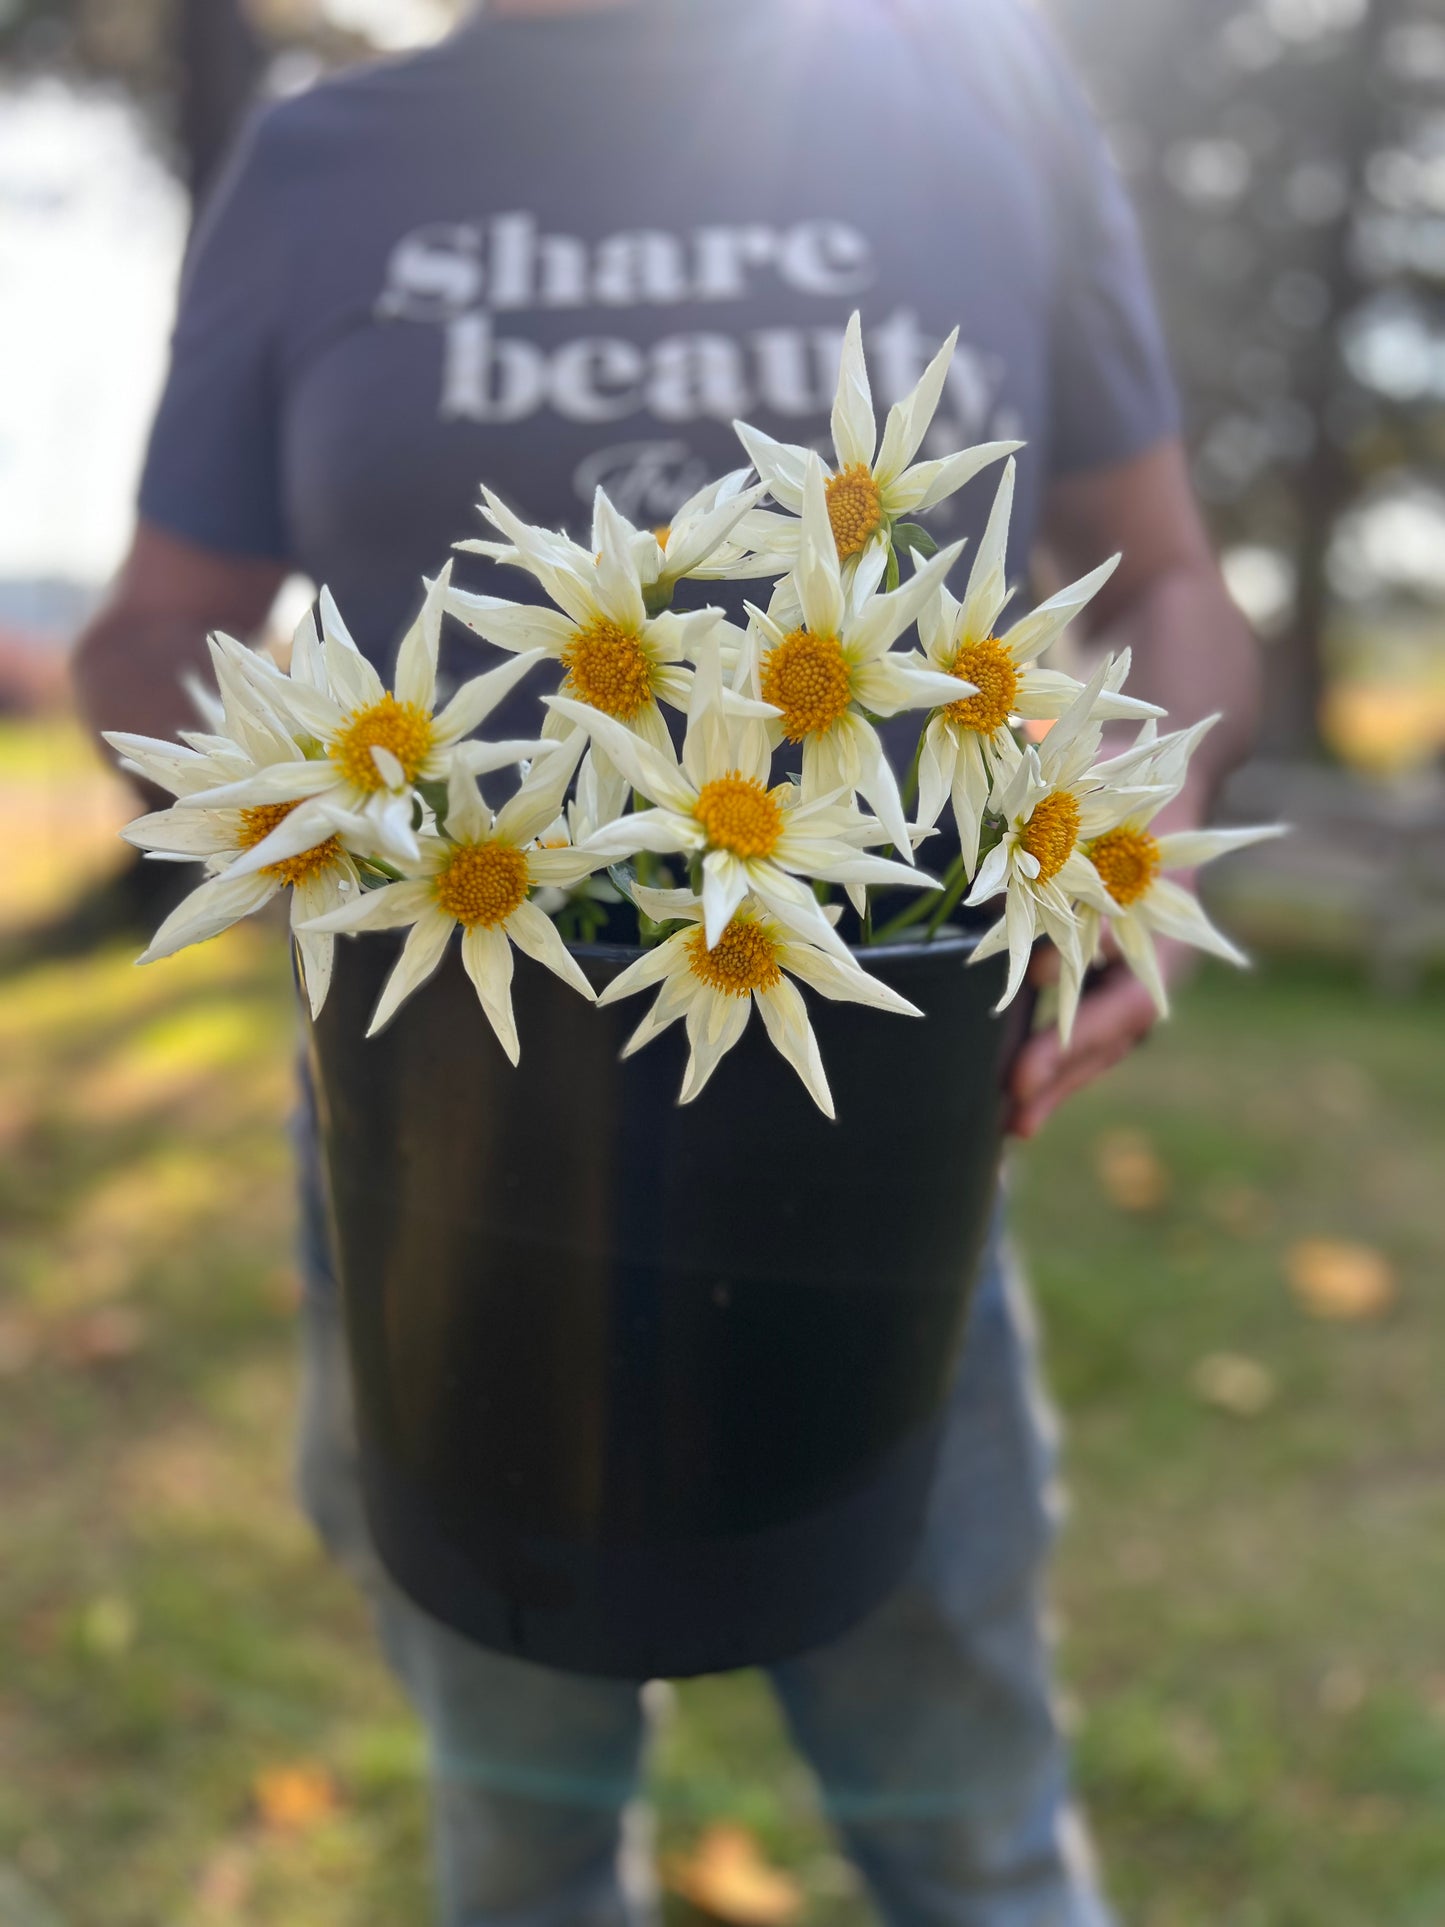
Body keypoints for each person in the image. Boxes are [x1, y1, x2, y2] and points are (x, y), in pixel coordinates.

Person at [74, 1, 1260, 1920]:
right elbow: (155, 636)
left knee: (967, 1813)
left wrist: (1120, 837)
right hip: (438, 1164)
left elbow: (1172, 575)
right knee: (513, 1817)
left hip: (880, 1152)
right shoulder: (326, 163)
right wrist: (286, 819)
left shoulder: (979, 88)